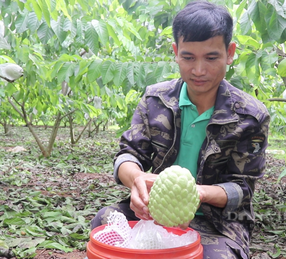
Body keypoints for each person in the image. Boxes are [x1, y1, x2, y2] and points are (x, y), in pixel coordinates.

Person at [91, 1, 270, 258]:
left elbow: (242, 189)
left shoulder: (250, 116)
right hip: (157, 212)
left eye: (211, 57)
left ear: (229, 53)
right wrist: (137, 181)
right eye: (188, 57)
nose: (199, 70)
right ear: (176, 51)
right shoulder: (156, 100)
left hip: (217, 222)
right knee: (104, 222)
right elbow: (127, 155)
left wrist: (195, 194)